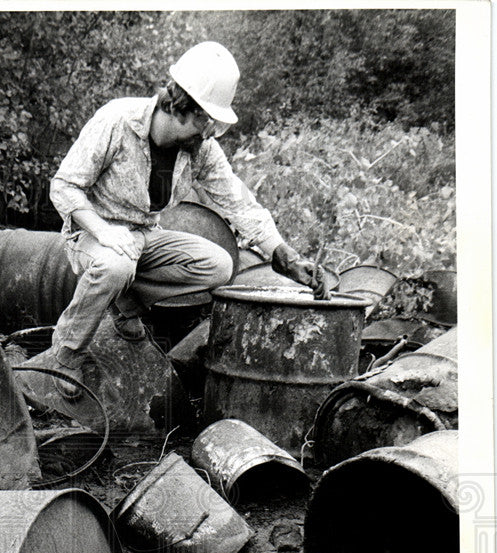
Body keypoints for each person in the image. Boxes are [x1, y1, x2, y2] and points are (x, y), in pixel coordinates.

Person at [47, 40, 329, 398]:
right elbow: (64, 186)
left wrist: (283, 255)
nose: (208, 131)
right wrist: (103, 232)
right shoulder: (116, 121)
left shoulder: (200, 149)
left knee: (218, 265)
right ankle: (65, 354)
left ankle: (127, 304)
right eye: (204, 119)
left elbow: (239, 202)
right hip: (93, 235)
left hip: (143, 236)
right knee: (116, 265)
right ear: (179, 106)